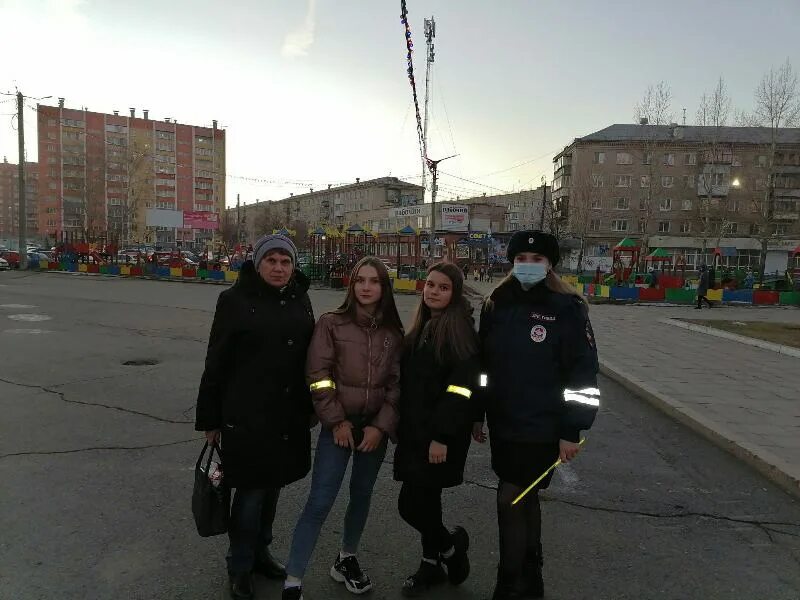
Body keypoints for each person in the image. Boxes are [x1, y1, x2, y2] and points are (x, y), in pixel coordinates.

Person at [473, 230, 599, 599]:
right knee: (524, 497)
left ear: (550, 265)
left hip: (544, 426)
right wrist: (478, 412)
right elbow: (484, 367)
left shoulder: (568, 307)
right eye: (522, 260)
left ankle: (508, 583)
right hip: (504, 423)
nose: (528, 266)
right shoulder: (496, 302)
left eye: (537, 260)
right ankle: (532, 575)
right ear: (512, 263)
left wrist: (572, 430)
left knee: (509, 496)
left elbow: (583, 373)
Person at [195, 234, 316, 600]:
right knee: (249, 495)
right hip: (246, 417)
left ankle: (262, 551)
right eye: (272, 261)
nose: (279, 268)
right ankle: (240, 565)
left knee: (273, 490)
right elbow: (215, 362)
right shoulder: (233, 301)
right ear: (258, 263)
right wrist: (210, 421)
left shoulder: (300, 298)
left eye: (286, 262)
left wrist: (312, 407)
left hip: (287, 416)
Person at [283, 257, 404, 600]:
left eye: (374, 281)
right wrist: (336, 422)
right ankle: (293, 580)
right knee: (320, 501)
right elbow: (318, 378)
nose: (367, 287)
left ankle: (346, 558)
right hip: (338, 428)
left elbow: (396, 386)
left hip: (372, 433)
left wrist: (380, 428)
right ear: (352, 286)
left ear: (383, 287)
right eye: (360, 280)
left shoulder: (392, 333)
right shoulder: (331, 324)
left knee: (361, 496)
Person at [394, 263, 481, 597]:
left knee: (411, 504)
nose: (433, 291)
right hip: (415, 431)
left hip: (439, 437)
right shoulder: (424, 325)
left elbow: (462, 389)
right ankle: (432, 563)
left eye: (443, 287)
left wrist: (442, 436)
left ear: (454, 293)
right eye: (430, 284)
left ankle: (449, 549)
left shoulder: (459, 331)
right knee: (426, 502)